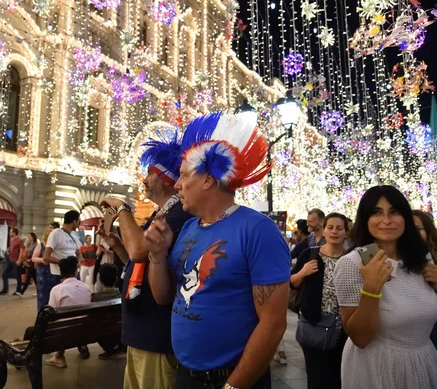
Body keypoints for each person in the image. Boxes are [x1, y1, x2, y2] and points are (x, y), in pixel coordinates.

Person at [145, 110, 290, 389]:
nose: (177, 184)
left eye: (184, 175)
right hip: (186, 376)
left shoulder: (257, 230)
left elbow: (272, 325)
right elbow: (163, 297)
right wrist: (157, 256)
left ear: (208, 179)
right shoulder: (188, 228)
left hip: (233, 379)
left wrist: (233, 386)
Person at [99, 128, 192, 389]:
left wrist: (122, 208)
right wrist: (117, 245)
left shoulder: (177, 216)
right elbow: (141, 258)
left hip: (156, 334)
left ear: (165, 178)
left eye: (151, 172)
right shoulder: (161, 214)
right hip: (142, 331)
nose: (145, 179)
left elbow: (141, 250)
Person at [333, 185, 437, 389]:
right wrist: (371, 289)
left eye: (394, 212)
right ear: (365, 219)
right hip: (378, 367)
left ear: (405, 217)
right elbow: (360, 338)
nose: (386, 221)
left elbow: (420, 311)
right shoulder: (354, 263)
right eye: (376, 212)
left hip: (424, 361)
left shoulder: (420, 257)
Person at [291, 213, 349, 389]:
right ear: (323, 230)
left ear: (346, 232)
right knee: (316, 378)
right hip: (314, 326)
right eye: (330, 227)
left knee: (339, 377)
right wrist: (303, 273)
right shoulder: (310, 254)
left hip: (344, 329)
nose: (334, 232)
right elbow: (292, 283)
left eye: (339, 228)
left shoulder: (351, 259)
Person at [46, 256, 91, 368]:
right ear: (76, 271)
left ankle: (58, 356)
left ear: (61, 272)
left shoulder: (57, 290)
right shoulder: (86, 288)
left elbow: (50, 316)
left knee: (30, 331)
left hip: (64, 333)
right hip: (86, 330)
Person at [92, 263, 125, 359]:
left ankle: (110, 348)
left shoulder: (95, 298)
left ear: (100, 279)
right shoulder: (122, 296)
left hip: (104, 334)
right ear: (116, 278)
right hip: (121, 332)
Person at [43, 211, 83, 286]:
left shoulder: (74, 235)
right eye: (79, 221)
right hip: (59, 275)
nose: (79, 225)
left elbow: (79, 254)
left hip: (74, 275)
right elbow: (46, 257)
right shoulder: (55, 233)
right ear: (74, 221)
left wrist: (78, 262)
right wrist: (64, 263)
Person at [31, 226, 55, 311]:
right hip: (43, 273)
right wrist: (42, 260)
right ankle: (42, 314)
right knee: (43, 294)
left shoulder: (55, 245)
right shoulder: (41, 245)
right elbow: (33, 258)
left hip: (54, 273)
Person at [0, 228, 25, 295]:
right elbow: (11, 248)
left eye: (11, 232)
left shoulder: (20, 240)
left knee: (18, 276)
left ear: (14, 233)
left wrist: (19, 260)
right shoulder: (11, 240)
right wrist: (8, 250)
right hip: (10, 260)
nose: (10, 233)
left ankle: (18, 290)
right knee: (4, 274)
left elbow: (21, 250)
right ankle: (5, 289)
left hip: (16, 260)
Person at [18, 232, 38, 296]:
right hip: (28, 262)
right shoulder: (29, 244)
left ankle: (21, 292)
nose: (29, 238)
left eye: (30, 236)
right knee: (35, 279)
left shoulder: (36, 244)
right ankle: (39, 291)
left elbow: (35, 253)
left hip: (32, 262)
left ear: (33, 237)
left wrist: (30, 259)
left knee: (28, 278)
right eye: (28, 236)